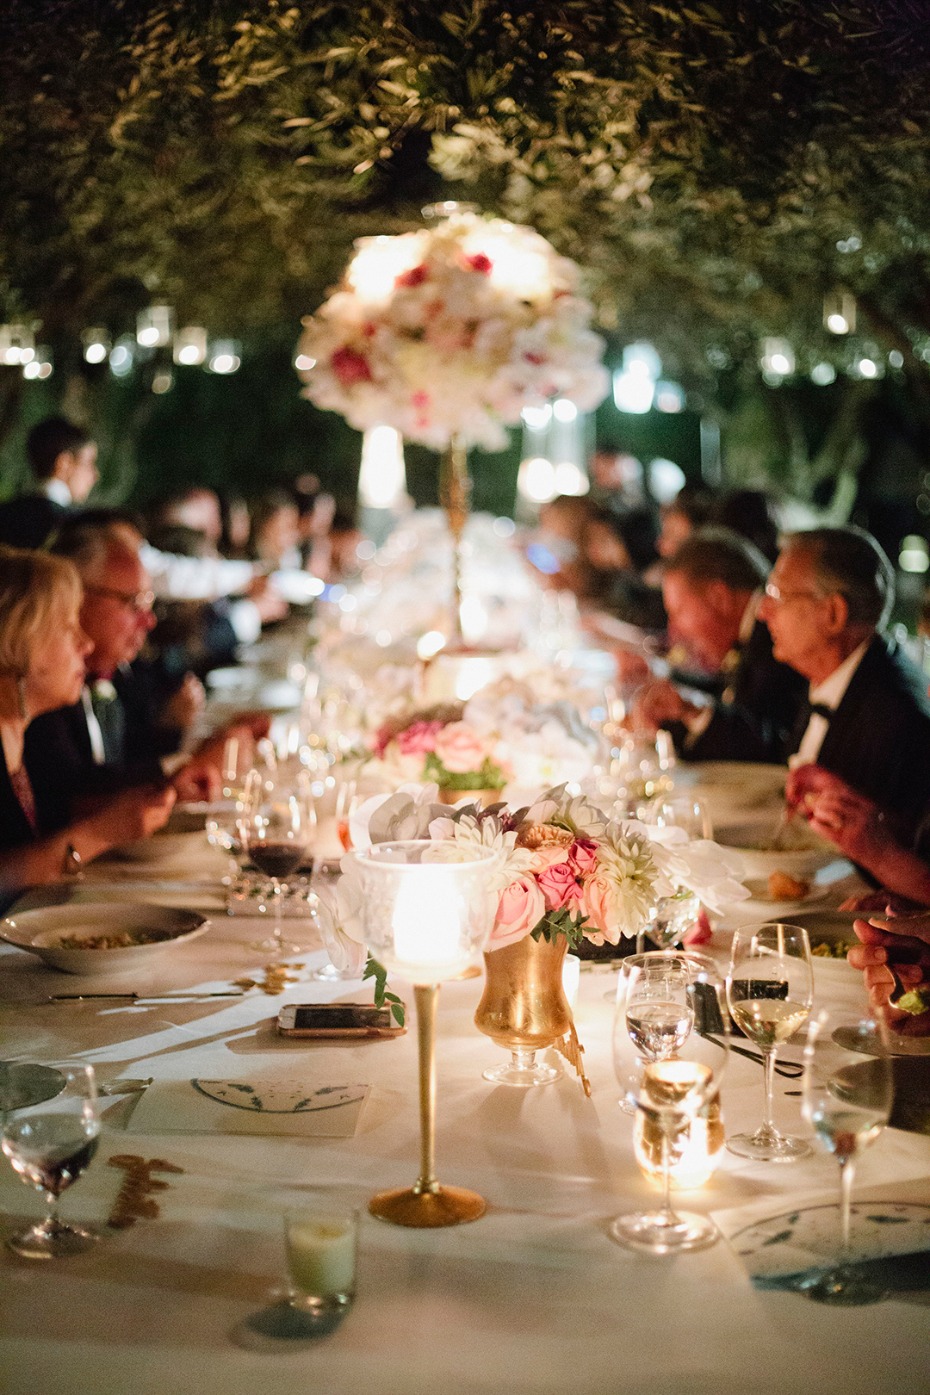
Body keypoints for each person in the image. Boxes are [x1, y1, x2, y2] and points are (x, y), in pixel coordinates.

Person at [26, 519, 265, 818]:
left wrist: (181, 741)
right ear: (77, 596)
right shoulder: (41, 686)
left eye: (148, 602)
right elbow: (69, 797)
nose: (148, 620)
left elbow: (121, 764)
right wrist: (183, 764)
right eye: (133, 603)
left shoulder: (114, 674)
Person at [0, 545, 173, 906]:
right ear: (17, 641)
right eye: (67, 628)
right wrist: (101, 833)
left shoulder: (19, 732)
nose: (85, 643)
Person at [765, 525, 930, 859]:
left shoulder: (893, 714)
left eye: (777, 595)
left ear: (833, 614)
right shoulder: (829, 675)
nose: (763, 611)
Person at [632, 528, 807, 761]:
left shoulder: (776, 642)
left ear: (719, 598)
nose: (674, 630)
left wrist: (691, 711)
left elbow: (770, 746)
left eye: (679, 612)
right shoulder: (749, 637)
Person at [0, 417, 98, 548]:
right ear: (64, 463)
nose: (95, 475)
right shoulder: (76, 530)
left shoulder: (6, 513)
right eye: (89, 463)